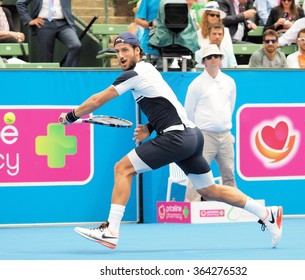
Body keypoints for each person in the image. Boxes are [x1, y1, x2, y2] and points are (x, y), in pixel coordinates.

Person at [58, 31, 283, 250]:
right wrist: (149, 127)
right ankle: (266, 213)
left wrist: (72, 116)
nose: (121, 55)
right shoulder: (148, 70)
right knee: (210, 190)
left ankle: (111, 230)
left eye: (125, 50)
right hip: (193, 137)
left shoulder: (134, 74)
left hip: (177, 137)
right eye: (117, 51)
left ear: (138, 50)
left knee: (122, 169)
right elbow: (168, 104)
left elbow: (98, 100)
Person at [184, 44, 237, 202]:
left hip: (225, 135)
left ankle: (234, 208)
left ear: (221, 59)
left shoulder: (229, 82)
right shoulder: (196, 84)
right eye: (209, 57)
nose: (213, 59)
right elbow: (189, 112)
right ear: (204, 61)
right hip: (204, 136)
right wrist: (199, 133)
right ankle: (190, 208)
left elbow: (230, 107)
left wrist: (221, 124)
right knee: (196, 174)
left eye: (216, 56)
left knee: (229, 174)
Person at [16, 0, 81, 67]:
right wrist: (29, 20)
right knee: (46, 57)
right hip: (44, 23)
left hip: (63, 24)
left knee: (76, 45)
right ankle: (48, 76)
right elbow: (20, 3)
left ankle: (69, 74)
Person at [134, 0, 160, 65]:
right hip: (150, 48)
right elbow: (138, 19)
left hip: (173, 50)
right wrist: (150, 25)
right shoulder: (147, 1)